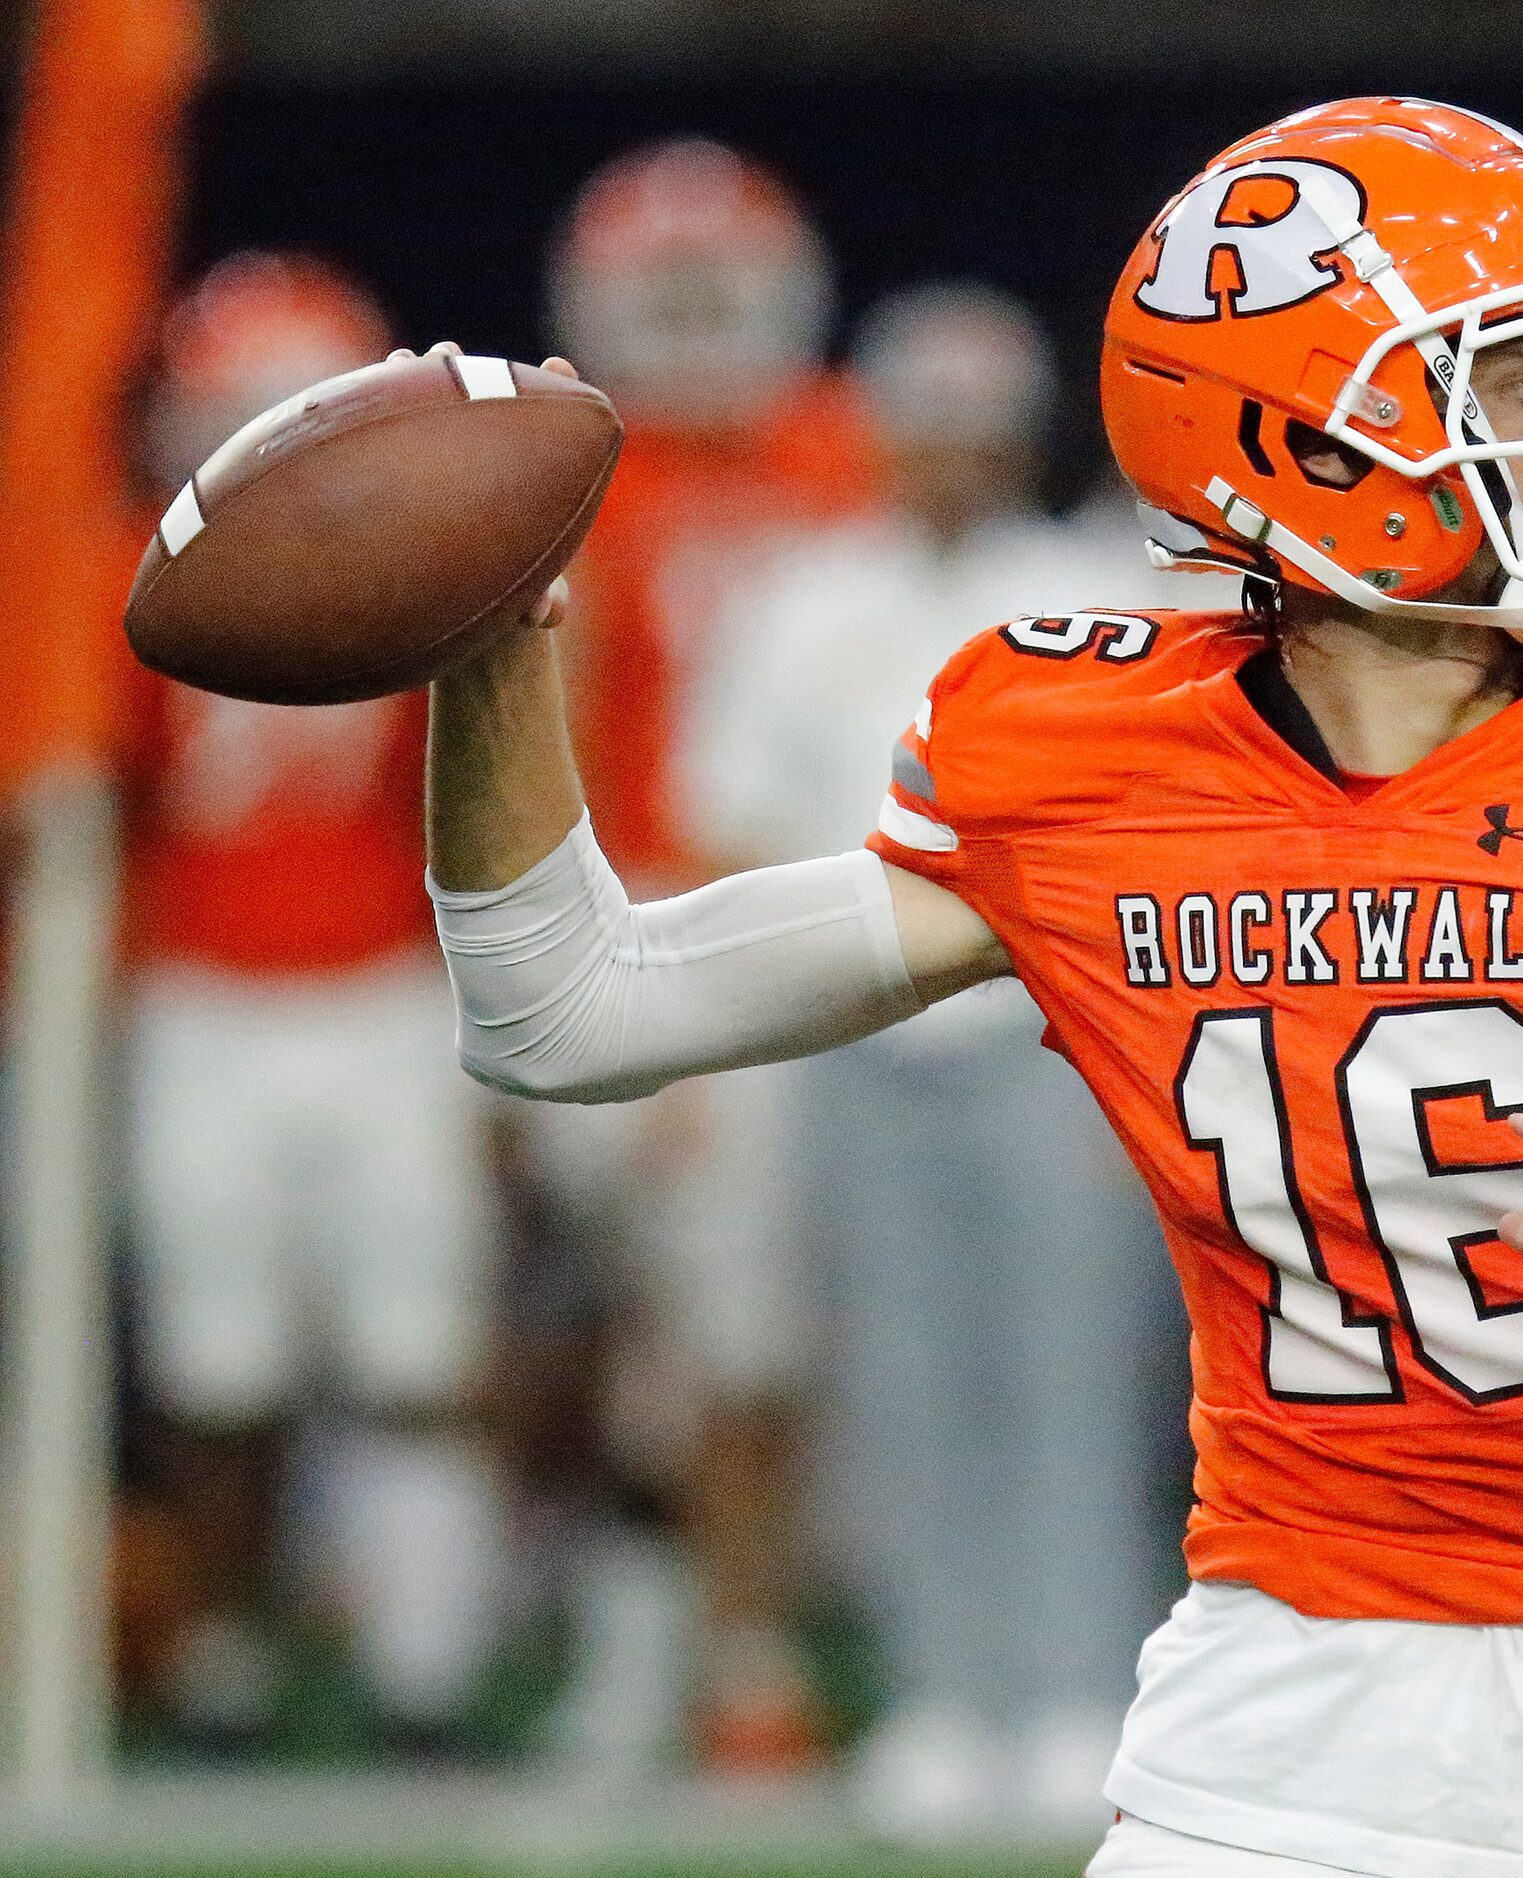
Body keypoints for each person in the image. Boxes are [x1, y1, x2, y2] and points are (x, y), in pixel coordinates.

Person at [421, 100, 1523, 1876]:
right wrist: (492, 657)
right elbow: (569, 1011)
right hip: (1294, 1746)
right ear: (1315, 444)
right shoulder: (1077, 748)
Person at [685, 280, 1200, 1833]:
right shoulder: (801, 599)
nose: (951, 461)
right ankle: (932, 1690)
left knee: (1074, 1379)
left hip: (1054, 1036)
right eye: (927, 431)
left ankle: (1077, 1693)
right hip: (859, 1039)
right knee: (900, 1387)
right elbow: (733, 822)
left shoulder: (1097, 593)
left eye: (977, 434)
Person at [522, 137, 884, 1775]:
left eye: (709, 284)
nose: (688, 318)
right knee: (664, 1329)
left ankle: (748, 1635)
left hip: (862, 920)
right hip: (654, 914)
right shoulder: (564, 468)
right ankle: (680, 1642)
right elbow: (547, 735)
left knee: (792, 1330)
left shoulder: (857, 458)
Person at [118, 252, 504, 1751]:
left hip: (384, 1001)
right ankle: (223, 1660)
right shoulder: (117, 574)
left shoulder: (432, 565)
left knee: (418, 1347)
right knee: (219, 1367)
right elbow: (100, 802)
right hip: (202, 1005)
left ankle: (426, 1665)